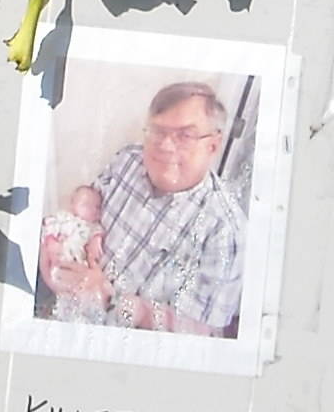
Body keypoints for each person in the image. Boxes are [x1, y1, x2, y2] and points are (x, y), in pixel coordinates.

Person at [89, 79, 247, 338]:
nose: (165, 145)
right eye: (158, 131)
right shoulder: (127, 161)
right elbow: (89, 208)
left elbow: (204, 332)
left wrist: (115, 302)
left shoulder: (225, 232)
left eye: (184, 135)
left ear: (213, 145)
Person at [33, 182, 114, 323]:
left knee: (67, 299)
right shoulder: (64, 218)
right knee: (43, 290)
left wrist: (96, 241)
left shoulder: (93, 226)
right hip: (56, 260)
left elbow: (98, 233)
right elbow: (49, 226)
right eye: (86, 205)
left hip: (76, 266)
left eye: (97, 207)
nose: (93, 210)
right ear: (73, 205)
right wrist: (51, 241)